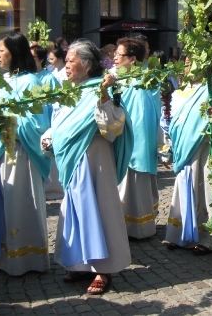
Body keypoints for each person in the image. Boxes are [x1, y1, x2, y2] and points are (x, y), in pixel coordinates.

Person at [44, 40, 132, 294]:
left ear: (87, 64)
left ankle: (104, 269)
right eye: (67, 59)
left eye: (71, 60)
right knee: (75, 212)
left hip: (95, 162)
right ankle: (79, 263)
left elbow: (114, 128)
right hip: (71, 163)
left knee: (100, 212)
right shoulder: (68, 92)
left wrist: (104, 99)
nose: (67, 64)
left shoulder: (100, 89)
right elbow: (60, 123)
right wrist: (50, 136)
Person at [0, 31, 51, 275]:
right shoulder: (3, 82)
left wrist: (6, 120)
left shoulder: (31, 82)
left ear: (14, 52)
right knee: (1, 202)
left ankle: (25, 258)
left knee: (20, 204)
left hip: (22, 153)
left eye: (2, 50)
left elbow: (38, 124)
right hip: (0, 151)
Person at [163, 57, 212, 254]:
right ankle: (179, 234)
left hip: (207, 151)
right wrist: (171, 147)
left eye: (193, 62)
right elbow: (174, 122)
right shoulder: (181, 92)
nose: (188, 66)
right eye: (186, 62)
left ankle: (209, 238)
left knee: (209, 191)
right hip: (185, 152)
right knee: (184, 190)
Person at [114, 38, 160, 239]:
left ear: (132, 59)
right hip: (122, 140)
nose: (114, 58)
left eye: (119, 55)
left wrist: (133, 145)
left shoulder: (142, 82)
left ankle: (139, 229)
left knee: (134, 187)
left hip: (134, 143)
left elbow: (142, 117)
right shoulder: (119, 80)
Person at [30, 44, 63, 200]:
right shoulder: (28, 77)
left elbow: (56, 105)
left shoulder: (49, 78)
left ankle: (52, 190)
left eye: (33, 57)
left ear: (41, 59)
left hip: (47, 125)